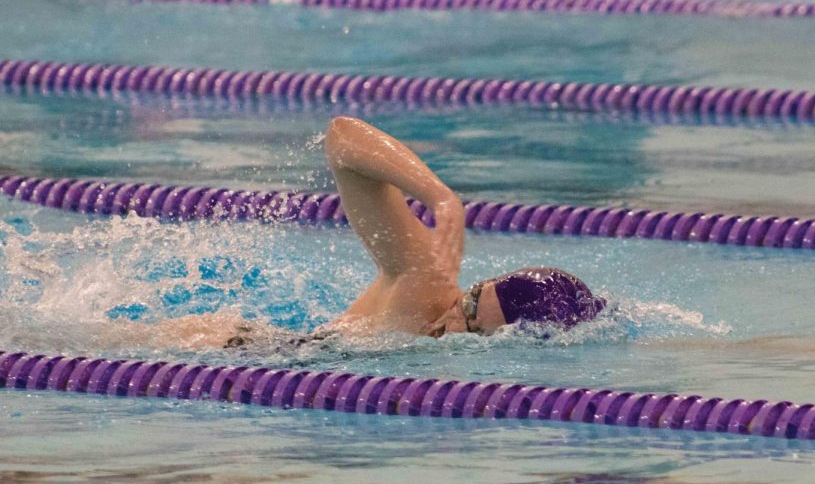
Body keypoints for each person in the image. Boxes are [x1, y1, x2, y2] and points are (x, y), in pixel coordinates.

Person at [149, 117, 605, 348]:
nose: (446, 324)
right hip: (220, 346)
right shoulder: (425, 287)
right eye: (468, 301)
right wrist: (439, 196)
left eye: (471, 329)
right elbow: (342, 136)